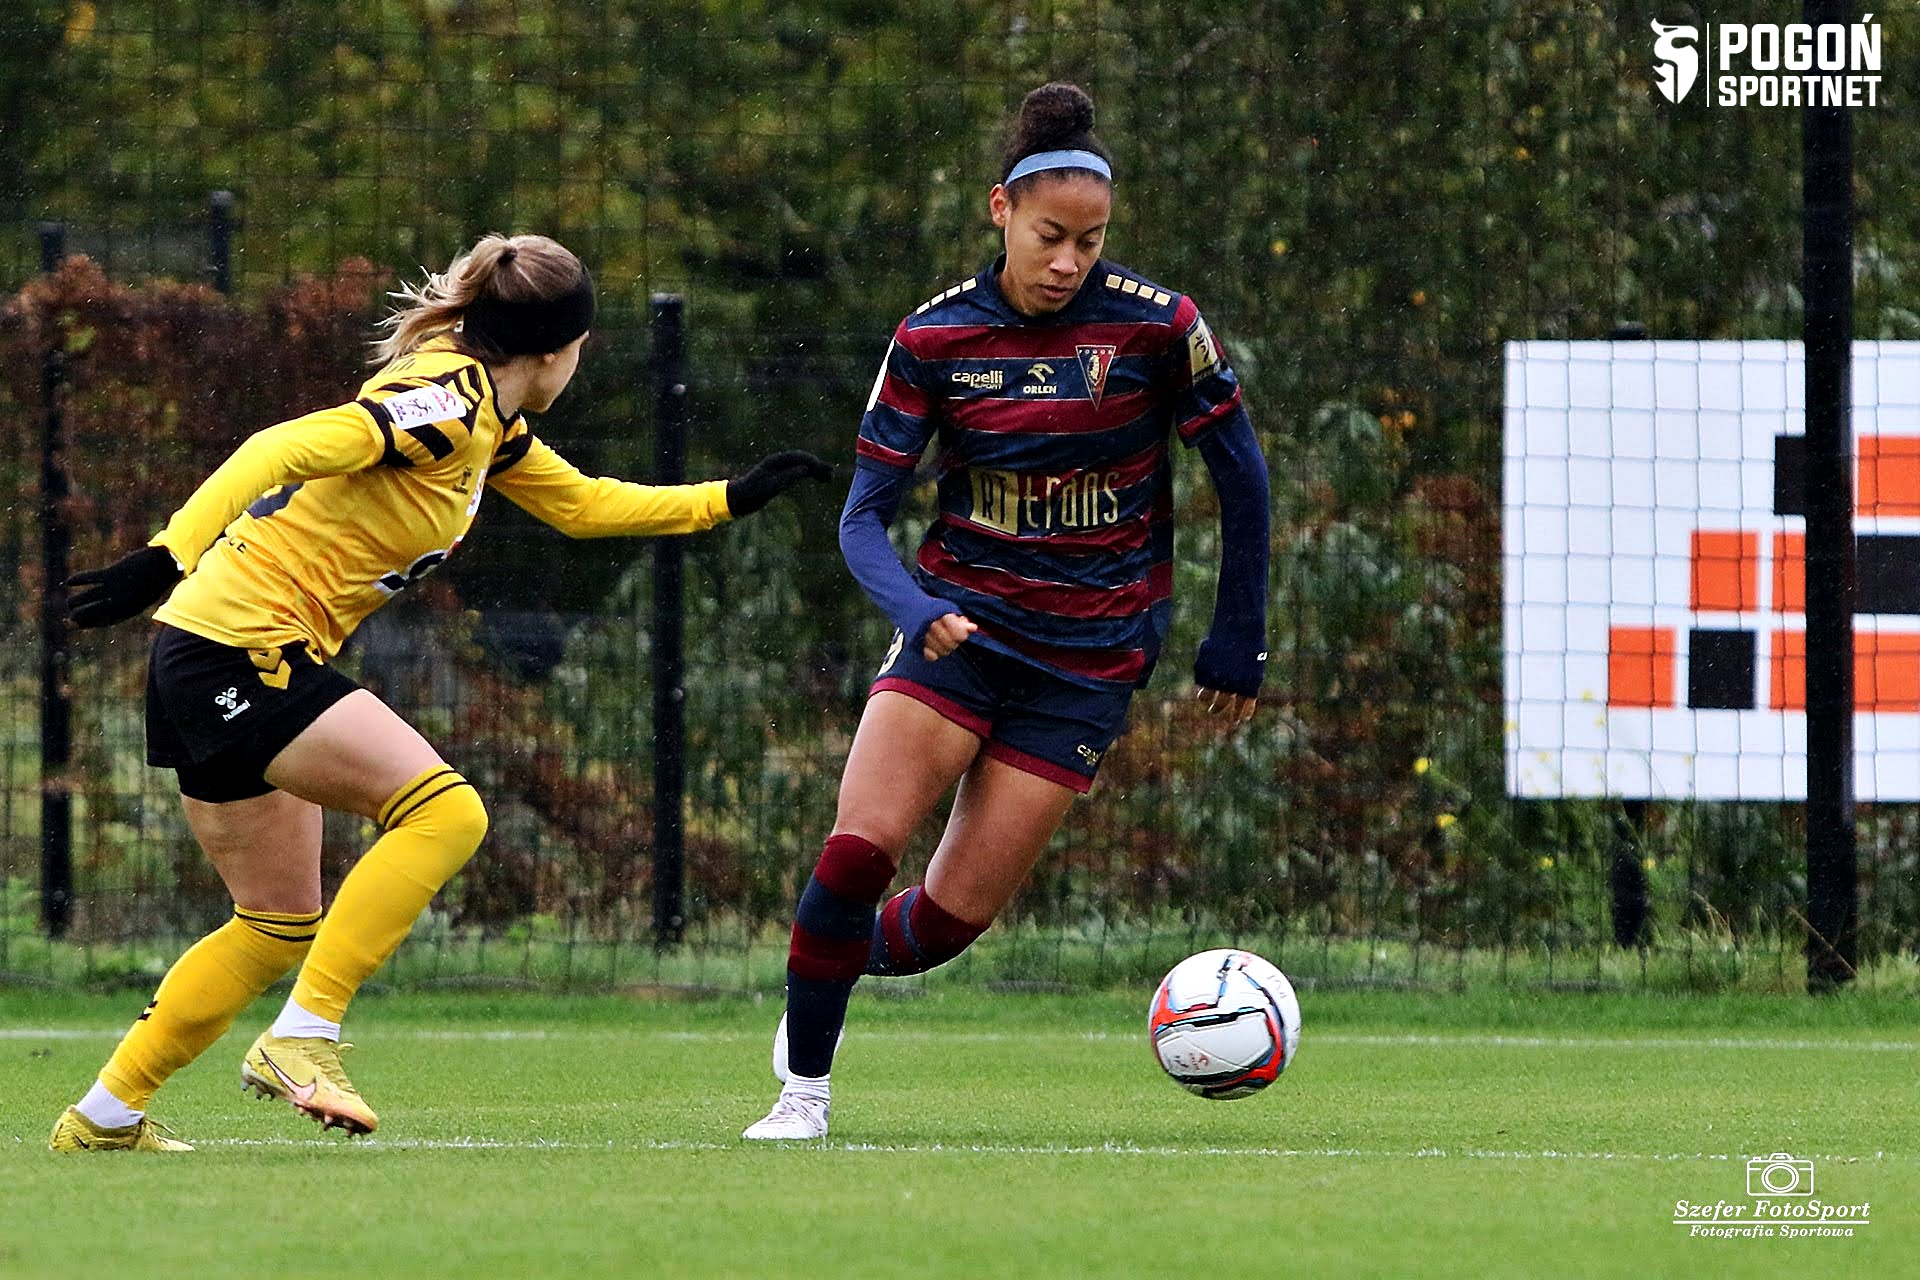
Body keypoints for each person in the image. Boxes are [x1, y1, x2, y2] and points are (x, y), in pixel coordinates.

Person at [48, 232, 830, 1152]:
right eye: (583, 345)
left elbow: (582, 505)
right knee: (446, 814)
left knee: (274, 921)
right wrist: (166, 553)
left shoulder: (487, 421)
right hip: (239, 650)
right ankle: (303, 1037)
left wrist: (727, 498)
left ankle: (104, 1117)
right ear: (554, 350)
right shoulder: (447, 407)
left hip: (207, 649)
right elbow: (280, 446)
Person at [743, 83, 1270, 1140]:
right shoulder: (934, 337)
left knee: (943, 927)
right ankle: (803, 1090)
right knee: (857, 854)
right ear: (1001, 210)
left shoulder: (1160, 326)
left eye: (1090, 240)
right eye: (1049, 237)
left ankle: (821, 966)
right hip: (960, 638)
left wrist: (1237, 637)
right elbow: (861, 517)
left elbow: (1243, 476)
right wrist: (916, 608)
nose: (1069, 260)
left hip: (1089, 661)